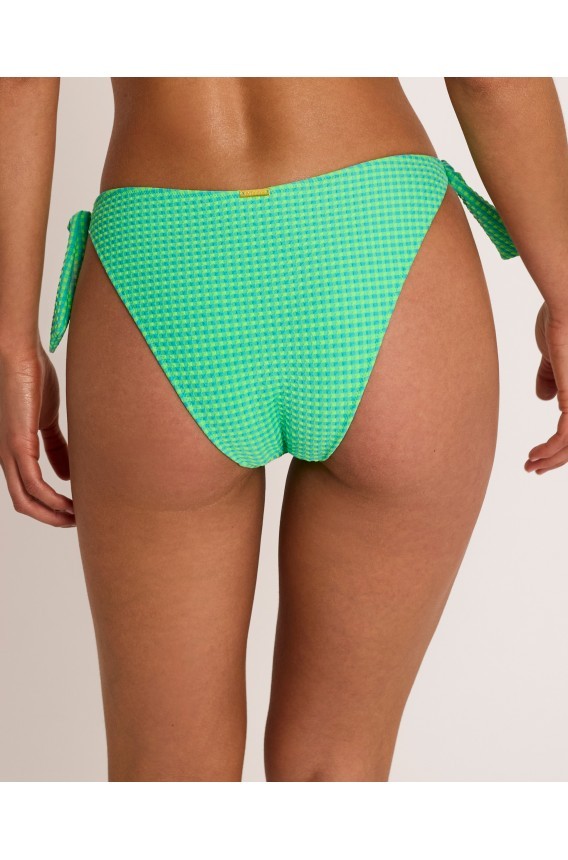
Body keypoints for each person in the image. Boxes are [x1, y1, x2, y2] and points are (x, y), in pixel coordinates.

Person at [0, 78, 566, 782]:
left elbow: (19, 79)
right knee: (337, 769)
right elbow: (489, 76)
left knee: (166, 779)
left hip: (164, 260)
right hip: (376, 240)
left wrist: (13, 345)